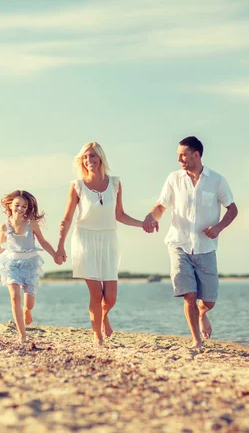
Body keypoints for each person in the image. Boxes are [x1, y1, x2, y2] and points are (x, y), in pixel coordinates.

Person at [143, 136, 238, 349]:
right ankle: (196, 341)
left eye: (183, 155)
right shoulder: (173, 179)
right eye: (178, 156)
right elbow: (161, 206)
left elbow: (232, 209)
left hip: (206, 246)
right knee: (189, 294)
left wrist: (219, 228)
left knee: (209, 300)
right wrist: (151, 216)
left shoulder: (217, 180)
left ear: (196, 154)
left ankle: (203, 313)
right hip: (179, 243)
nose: (179, 160)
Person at [56, 142, 143, 346]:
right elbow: (67, 218)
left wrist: (142, 224)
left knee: (110, 297)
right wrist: (60, 245)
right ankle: (97, 335)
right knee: (96, 293)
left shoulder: (115, 183)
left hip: (108, 240)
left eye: (93, 156)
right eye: (85, 157)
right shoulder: (77, 186)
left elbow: (119, 215)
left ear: (101, 158)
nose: (89, 161)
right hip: (84, 239)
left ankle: (104, 317)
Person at [0, 190, 57, 345]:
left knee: (29, 302)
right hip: (11, 265)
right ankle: (22, 335)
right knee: (15, 297)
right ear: (10, 205)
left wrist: (55, 255)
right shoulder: (4, 226)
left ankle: (27, 310)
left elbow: (43, 242)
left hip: (30, 265)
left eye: (24, 206)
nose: (20, 208)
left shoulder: (32, 224)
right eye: (17, 205)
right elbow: (1, 247)